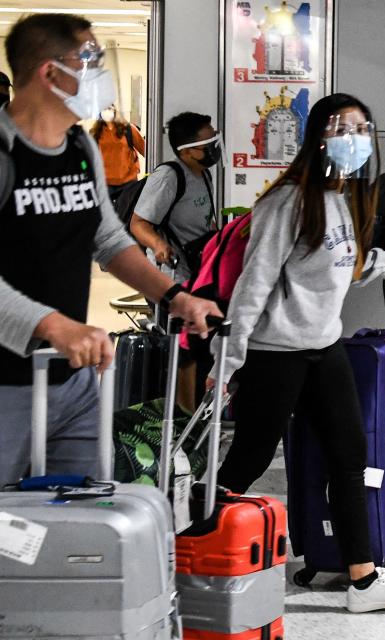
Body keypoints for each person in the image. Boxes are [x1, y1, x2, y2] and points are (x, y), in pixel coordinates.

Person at [210, 93, 385, 613]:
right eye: (344, 128)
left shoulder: (343, 196)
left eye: (363, 129)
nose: (355, 139)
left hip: (324, 347)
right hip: (276, 352)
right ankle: (190, 546)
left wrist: (384, 261)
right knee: (250, 456)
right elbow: (254, 285)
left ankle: (363, 580)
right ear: (318, 136)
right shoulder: (286, 201)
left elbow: (340, 265)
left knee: (349, 457)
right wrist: (229, 361)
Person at [0, 13, 220, 487]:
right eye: (91, 59)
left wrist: (174, 297)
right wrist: (53, 325)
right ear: (50, 72)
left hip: (72, 377)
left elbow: (108, 239)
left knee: (82, 522)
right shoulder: (3, 154)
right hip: (6, 384)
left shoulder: (81, 148)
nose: (100, 73)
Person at [130, 111, 219, 282]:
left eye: (214, 141)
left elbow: (204, 219)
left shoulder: (204, 174)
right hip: (171, 275)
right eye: (207, 145)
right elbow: (138, 223)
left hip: (197, 267)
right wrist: (158, 244)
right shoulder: (168, 177)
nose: (214, 149)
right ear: (186, 152)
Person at [90, 104, 145, 201]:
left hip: (128, 181)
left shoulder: (128, 129)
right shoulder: (95, 132)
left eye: (109, 109)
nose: (107, 112)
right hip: (105, 182)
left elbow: (146, 150)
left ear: (115, 110)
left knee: (127, 213)